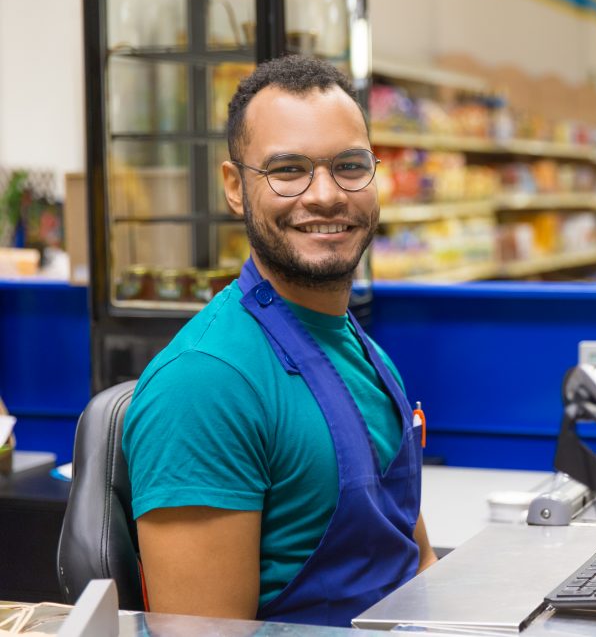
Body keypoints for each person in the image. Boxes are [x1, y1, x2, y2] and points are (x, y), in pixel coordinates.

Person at [123, 54, 437, 628]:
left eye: (349, 165)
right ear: (235, 188)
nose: (325, 195)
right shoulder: (205, 384)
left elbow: (415, 561)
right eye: (288, 170)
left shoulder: (363, 350)